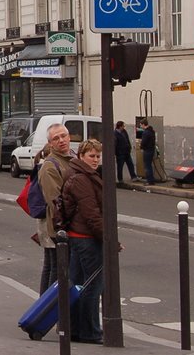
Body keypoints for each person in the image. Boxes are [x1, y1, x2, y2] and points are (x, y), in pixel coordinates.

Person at [60, 139, 106, 344]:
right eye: (91, 156)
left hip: (77, 236)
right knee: (92, 286)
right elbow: (91, 214)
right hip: (86, 238)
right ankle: (90, 331)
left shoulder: (80, 174)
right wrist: (109, 239)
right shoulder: (82, 178)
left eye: (98, 156)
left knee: (77, 284)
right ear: (81, 156)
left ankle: (76, 329)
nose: (95, 160)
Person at [36, 123, 74, 294]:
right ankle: (48, 310)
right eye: (56, 138)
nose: (61, 140)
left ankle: (48, 310)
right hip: (60, 227)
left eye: (63, 136)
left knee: (54, 267)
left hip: (65, 225)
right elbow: (56, 201)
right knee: (56, 270)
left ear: (69, 137)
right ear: (50, 143)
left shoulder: (73, 159)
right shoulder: (50, 166)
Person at [140, 119, 157, 185]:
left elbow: (143, 142)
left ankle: (149, 181)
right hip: (151, 149)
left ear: (144, 124)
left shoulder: (145, 132)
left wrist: (141, 147)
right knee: (149, 165)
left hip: (147, 150)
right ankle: (151, 180)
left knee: (147, 166)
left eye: (141, 125)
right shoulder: (152, 131)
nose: (140, 126)